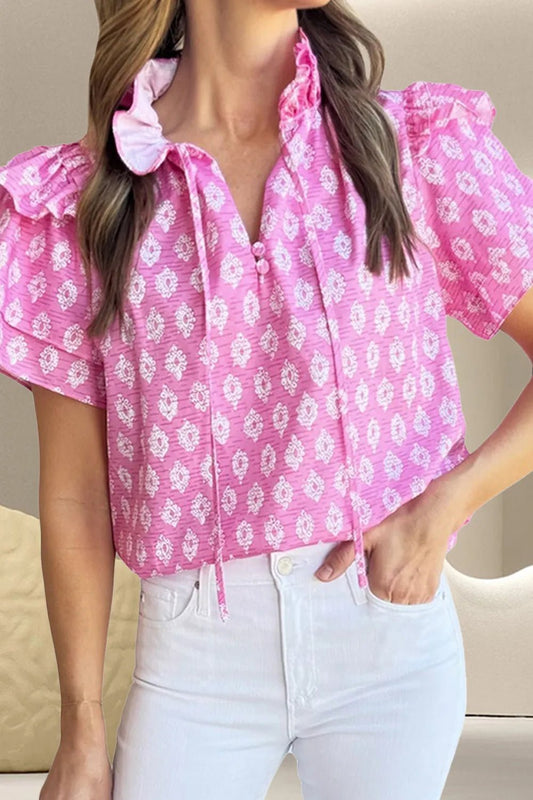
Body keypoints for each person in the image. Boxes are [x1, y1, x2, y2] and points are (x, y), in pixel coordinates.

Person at [1, 1, 533, 798]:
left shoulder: (409, 149)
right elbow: (77, 499)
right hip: (194, 660)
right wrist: (81, 730)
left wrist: (444, 505)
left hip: (386, 643)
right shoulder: (85, 203)